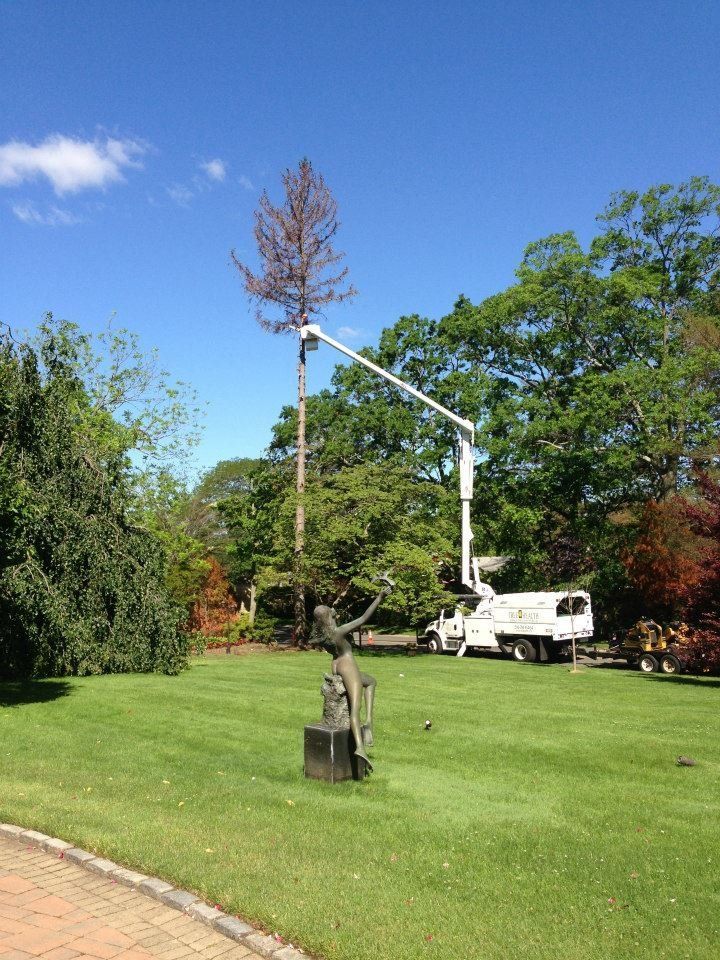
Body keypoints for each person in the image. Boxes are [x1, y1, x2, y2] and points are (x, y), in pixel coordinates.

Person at [311, 575, 394, 771]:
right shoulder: (339, 631)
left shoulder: (324, 635)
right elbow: (364, 618)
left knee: (371, 681)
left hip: (336, 665)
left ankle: (369, 723)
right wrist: (380, 597)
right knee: (354, 710)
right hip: (348, 666)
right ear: (329, 616)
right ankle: (359, 747)